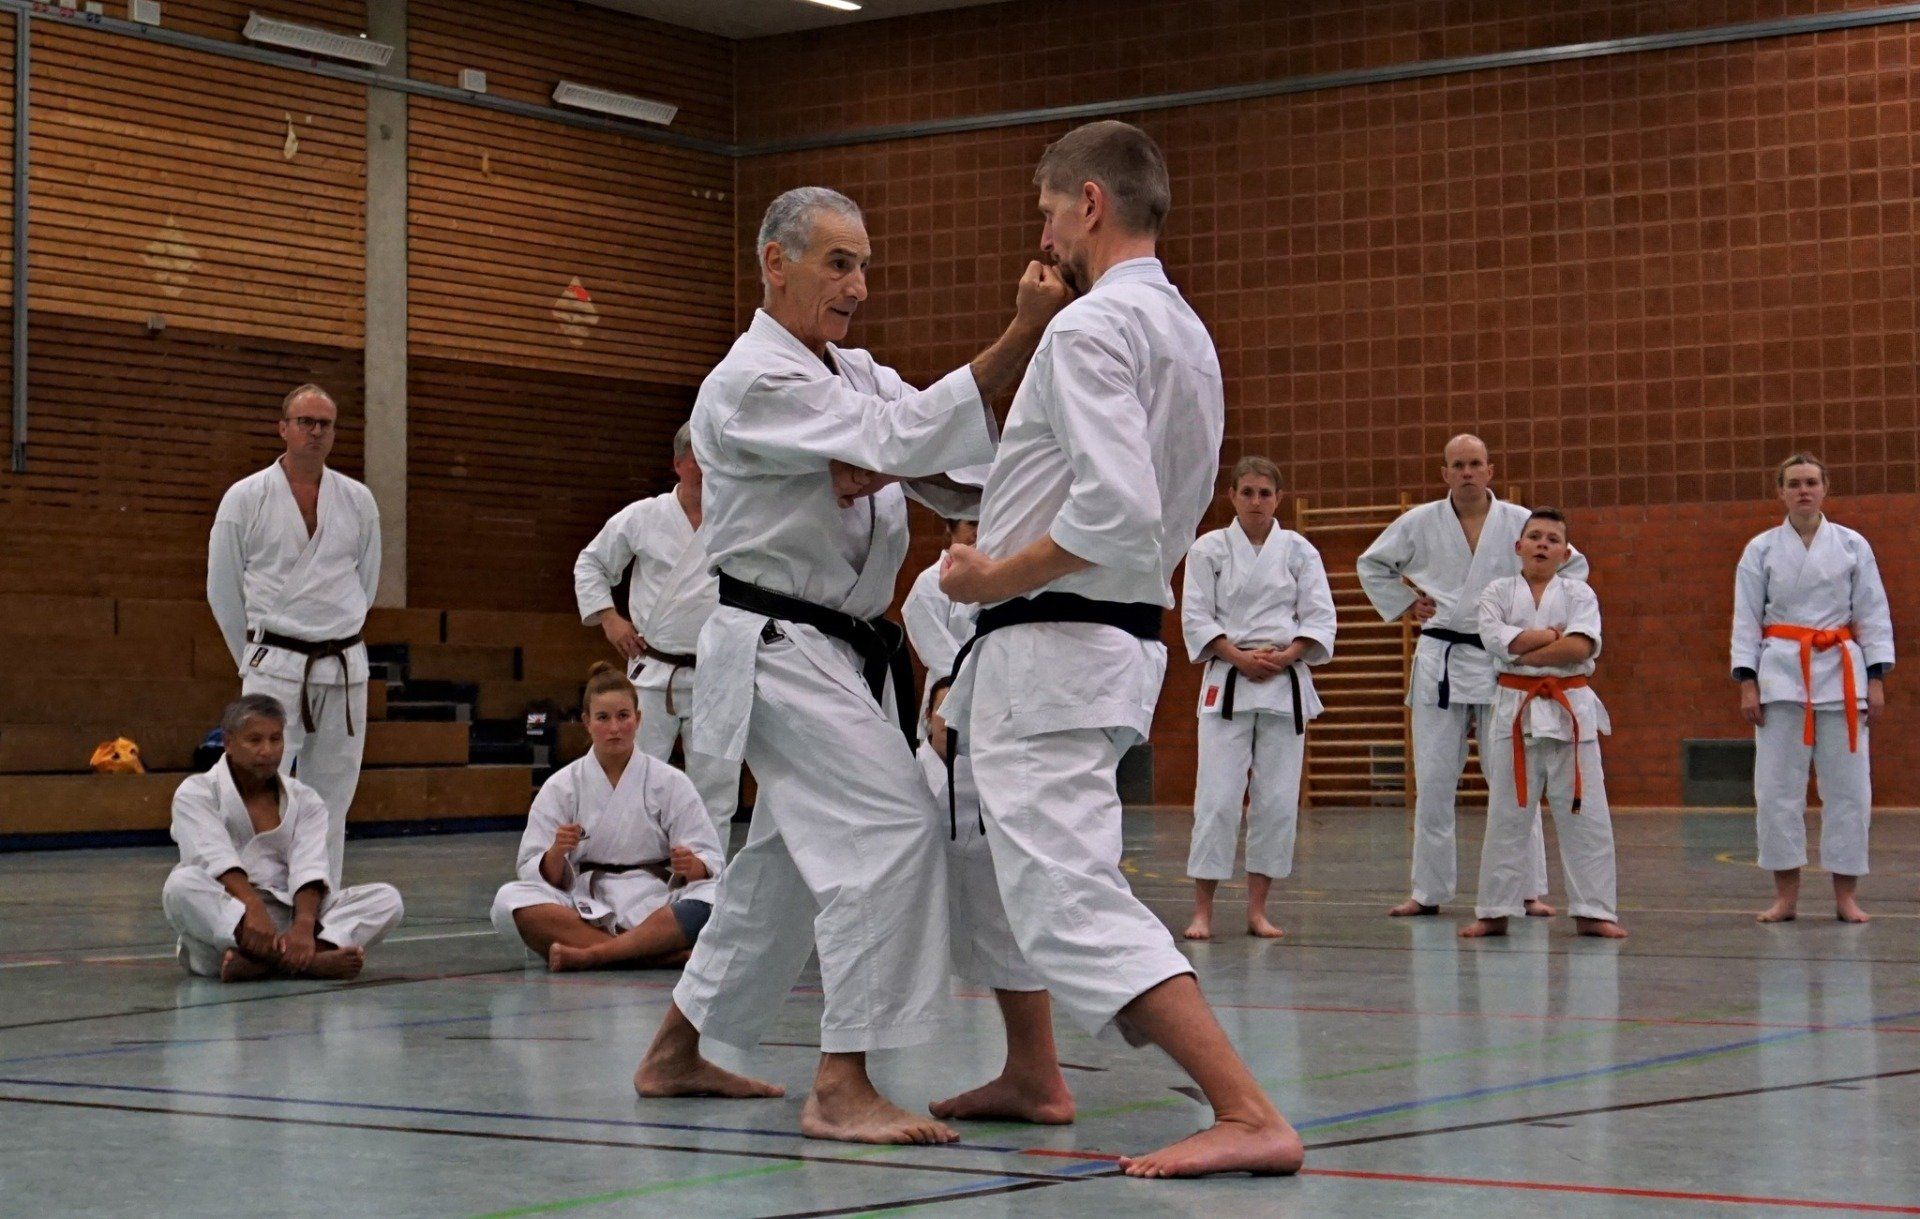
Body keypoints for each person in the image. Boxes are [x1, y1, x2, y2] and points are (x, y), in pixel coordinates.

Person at [633, 185, 1071, 1147]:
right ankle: (841, 1081)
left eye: (864, 264)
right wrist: (1021, 333)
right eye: (839, 263)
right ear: (775, 263)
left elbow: (944, 468)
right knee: (894, 827)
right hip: (779, 645)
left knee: (783, 866)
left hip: (838, 650)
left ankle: (674, 1050)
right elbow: (904, 440)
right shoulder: (749, 381)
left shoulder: (855, 371)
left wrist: (896, 456)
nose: (860, 286)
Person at [940, 120, 1303, 1178]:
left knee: (1066, 891)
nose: (1045, 233)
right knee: (996, 864)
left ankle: (1246, 1109)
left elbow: (1113, 511)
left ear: (1090, 203)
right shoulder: (1185, 332)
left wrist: (988, 577)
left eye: (1050, 210)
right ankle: (1032, 1070)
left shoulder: (1091, 328)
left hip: (1053, 643)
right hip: (1091, 641)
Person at [1356, 435, 1584, 917]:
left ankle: (1527, 889)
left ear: (1490, 470)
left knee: (1514, 777)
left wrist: (1537, 611)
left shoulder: (1520, 521)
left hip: (1503, 660)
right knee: (1435, 781)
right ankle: (1427, 891)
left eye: (1475, 464)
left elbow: (1574, 564)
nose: (1467, 472)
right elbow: (1371, 564)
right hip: (1441, 657)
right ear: (1445, 473)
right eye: (1458, 465)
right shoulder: (1420, 521)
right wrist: (1405, 602)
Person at [903, 512, 1073, 1127]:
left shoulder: (1029, 569)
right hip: (953, 742)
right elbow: (945, 661)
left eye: (985, 522)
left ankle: (1036, 1074)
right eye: (967, 527)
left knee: (1004, 899)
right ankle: (1031, 1072)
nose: (976, 536)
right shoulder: (933, 583)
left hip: (1003, 736)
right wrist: (947, 697)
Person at [207, 383, 379, 885]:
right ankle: (259, 900)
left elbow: (365, 586)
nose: (316, 432)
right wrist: (255, 657)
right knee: (261, 787)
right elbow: (222, 590)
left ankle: (319, 902)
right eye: (306, 422)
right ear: (283, 428)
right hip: (274, 665)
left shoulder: (358, 500)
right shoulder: (245, 497)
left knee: (334, 797)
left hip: (342, 666)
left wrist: (335, 629)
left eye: (325, 424)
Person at [1732, 454, 1893, 924]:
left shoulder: (1852, 545)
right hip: (1781, 676)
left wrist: (1876, 679)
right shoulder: (1760, 549)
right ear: (1780, 492)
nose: (1803, 490)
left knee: (1850, 791)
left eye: (1811, 482)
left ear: (1825, 488)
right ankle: (1786, 897)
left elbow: (1873, 611)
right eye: (1794, 483)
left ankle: (1846, 897)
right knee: (1776, 791)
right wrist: (1747, 682)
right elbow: (1746, 617)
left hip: (1842, 676)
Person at [1180, 455, 1336, 941]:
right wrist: (1238, 656)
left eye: (1265, 493)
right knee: (1217, 800)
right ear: (1231, 496)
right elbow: (1196, 616)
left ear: (1278, 499)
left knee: (1277, 803)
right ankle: (1202, 911)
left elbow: (1319, 615)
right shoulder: (1208, 549)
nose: (1255, 501)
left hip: (1283, 683)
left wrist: (1288, 655)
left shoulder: (1299, 550)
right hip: (1229, 678)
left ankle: (1257, 911)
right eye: (1246, 492)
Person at [1458, 509, 1625, 940]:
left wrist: (1523, 654)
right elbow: (1496, 641)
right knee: (1506, 815)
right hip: (1515, 710)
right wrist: (1551, 637)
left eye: (1553, 539)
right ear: (1519, 546)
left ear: (1565, 554)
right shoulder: (1496, 591)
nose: (1542, 545)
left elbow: (1580, 646)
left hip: (1571, 709)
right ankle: (1494, 910)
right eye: (1535, 536)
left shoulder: (1579, 593)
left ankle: (1593, 911)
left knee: (1586, 814)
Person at [491, 662, 725, 970]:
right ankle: (657, 954)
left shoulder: (670, 782)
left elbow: (711, 859)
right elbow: (531, 868)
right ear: (586, 722)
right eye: (603, 717)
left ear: (638, 719)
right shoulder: (562, 786)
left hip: (656, 899)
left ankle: (594, 955)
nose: (614, 728)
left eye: (623, 716)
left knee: (716, 896)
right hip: (588, 900)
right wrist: (556, 853)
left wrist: (692, 866)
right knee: (510, 899)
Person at [161, 694, 404, 982]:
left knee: (387, 899)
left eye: (276, 739)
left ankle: (264, 964)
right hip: (231, 922)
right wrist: (252, 906)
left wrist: (303, 925)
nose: (267, 751)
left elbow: (309, 866)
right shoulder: (196, 792)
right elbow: (212, 857)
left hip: (290, 917)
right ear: (228, 742)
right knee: (180, 885)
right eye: (255, 740)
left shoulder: (305, 799)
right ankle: (310, 963)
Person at [574, 424, 737, 843]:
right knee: (633, 779)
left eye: (715, 460)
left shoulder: (736, 519)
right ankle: (629, 867)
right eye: (698, 460)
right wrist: (609, 618)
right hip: (653, 671)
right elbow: (591, 563)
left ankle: (708, 874)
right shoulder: (644, 516)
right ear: (678, 464)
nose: (707, 470)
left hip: (717, 674)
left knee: (715, 793)